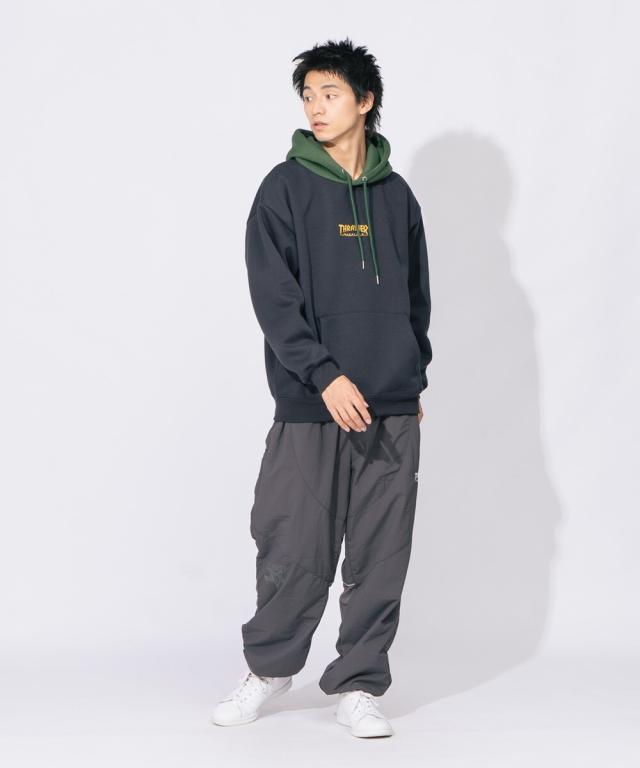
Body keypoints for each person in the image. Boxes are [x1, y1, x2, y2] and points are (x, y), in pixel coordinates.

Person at [210, 37, 432, 739]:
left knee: (381, 554)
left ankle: (361, 683)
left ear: (365, 101)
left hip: (389, 404)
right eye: (308, 95)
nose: (316, 107)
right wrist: (323, 373)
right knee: (291, 543)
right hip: (312, 403)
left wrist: (412, 377)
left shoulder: (397, 196)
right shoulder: (284, 188)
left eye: (330, 94)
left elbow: (415, 298)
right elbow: (274, 298)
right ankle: (271, 668)